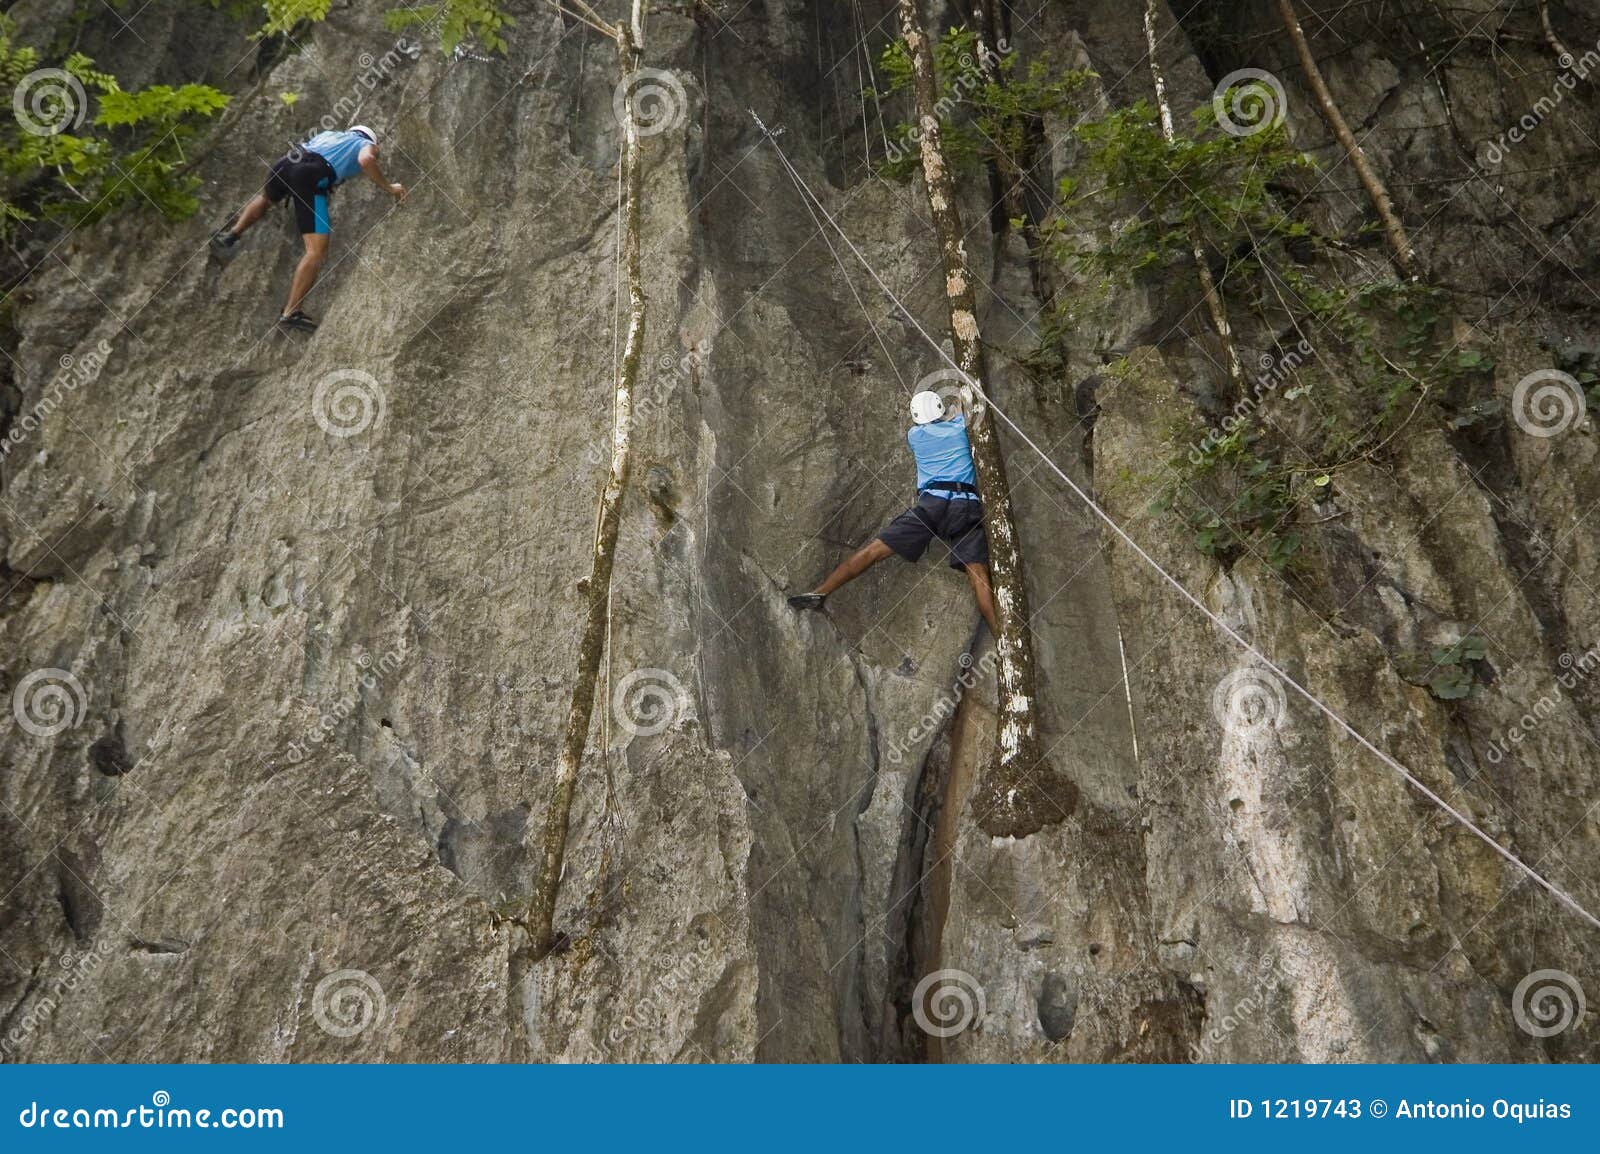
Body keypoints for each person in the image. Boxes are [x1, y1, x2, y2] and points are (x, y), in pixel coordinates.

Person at [789, 389, 998, 634]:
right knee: (978, 576)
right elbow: (970, 405)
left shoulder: (915, 436)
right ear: (940, 409)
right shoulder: (961, 428)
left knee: (874, 551)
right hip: (964, 506)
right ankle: (1001, 639)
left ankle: (820, 592)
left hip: (931, 505)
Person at [210, 124, 406, 331]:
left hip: (286, 162)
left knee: (266, 199)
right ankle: (291, 312)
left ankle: (230, 236)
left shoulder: (331, 135)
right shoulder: (366, 144)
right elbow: (366, 160)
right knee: (316, 251)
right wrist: (389, 187)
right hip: (310, 175)